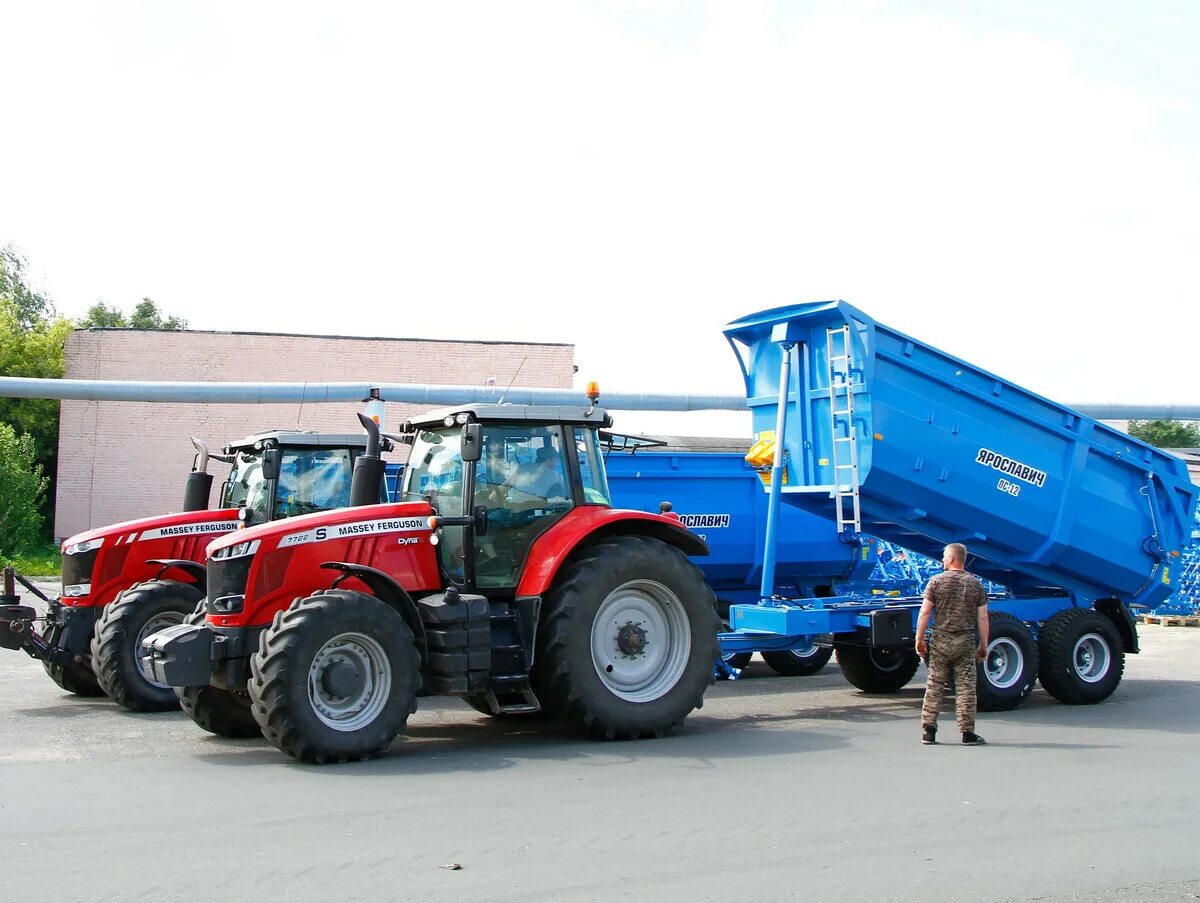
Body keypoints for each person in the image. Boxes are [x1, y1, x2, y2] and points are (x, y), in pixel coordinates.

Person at [914, 542, 989, 746]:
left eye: (944, 556)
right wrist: (984, 645)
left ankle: (929, 731)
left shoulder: (936, 582)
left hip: (940, 639)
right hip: (965, 641)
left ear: (952, 558)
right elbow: (982, 618)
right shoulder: (975, 584)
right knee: (966, 688)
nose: (942, 559)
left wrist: (919, 639)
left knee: (934, 685)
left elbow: (925, 612)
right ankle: (967, 733)